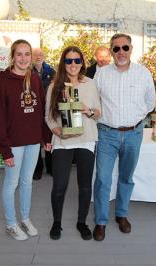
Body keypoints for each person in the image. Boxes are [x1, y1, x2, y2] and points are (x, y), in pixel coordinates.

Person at [93, 33, 156, 241]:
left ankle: (121, 214)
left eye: (125, 48)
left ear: (131, 49)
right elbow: (94, 102)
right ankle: (101, 221)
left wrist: (134, 119)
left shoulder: (143, 73)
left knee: (126, 178)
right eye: (116, 48)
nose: (121, 52)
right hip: (107, 134)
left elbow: (150, 103)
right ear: (111, 51)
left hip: (133, 134)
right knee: (102, 179)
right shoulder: (101, 74)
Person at [0, 40, 50, 241]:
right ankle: (11, 223)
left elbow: (41, 111)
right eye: (19, 54)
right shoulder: (3, 82)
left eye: (27, 54)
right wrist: (4, 149)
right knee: (11, 183)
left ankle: (24, 218)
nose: (23, 58)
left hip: (33, 141)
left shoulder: (34, 79)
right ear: (13, 56)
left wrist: (45, 137)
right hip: (13, 144)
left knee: (27, 182)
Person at [45, 46, 101, 240]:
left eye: (77, 60)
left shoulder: (90, 84)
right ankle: (57, 222)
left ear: (82, 63)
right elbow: (48, 117)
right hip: (63, 141)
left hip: (86, 140)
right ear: (63, 63)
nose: (73, 64)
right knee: (59, 185)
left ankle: (81, 222)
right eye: (69, 61)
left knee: (85, 185)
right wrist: (58, 131)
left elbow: (98, 113)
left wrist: (88, 111)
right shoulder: (55, 86)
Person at [32, 47, 55, 180]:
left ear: (44, 56)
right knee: (35, 141)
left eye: (40, 54)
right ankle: (37, 169)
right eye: (35, 55)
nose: (38, 57)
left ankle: (51, 167)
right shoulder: (28, 72)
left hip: (48, 110)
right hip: (34, 111)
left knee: (49, 139)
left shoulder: (51, 71)